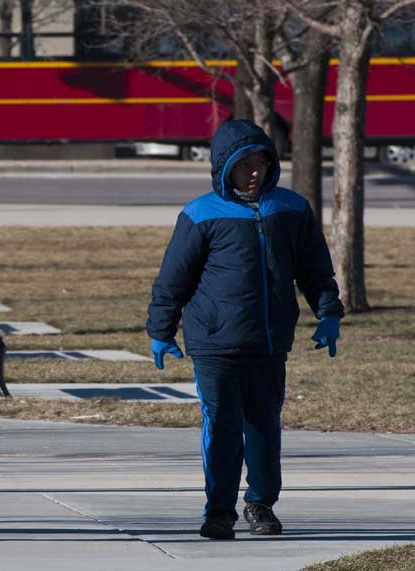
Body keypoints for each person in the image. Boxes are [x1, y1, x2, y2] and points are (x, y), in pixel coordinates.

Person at [146, 119, 343, 541]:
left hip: (268, 342)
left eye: (261, 163)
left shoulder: (291, 209)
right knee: (221, 424)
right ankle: (219, 510)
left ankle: (260, 504)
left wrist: (328, 312)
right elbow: (172, 280)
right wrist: (161, 329)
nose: (254, 172)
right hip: (214, 341)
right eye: (243, 165)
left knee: (263, 424)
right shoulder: (201, 214)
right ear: (223, 168)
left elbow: (314, 269)